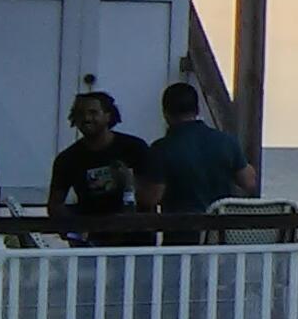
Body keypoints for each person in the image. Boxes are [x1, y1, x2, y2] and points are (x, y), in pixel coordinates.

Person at [137, 81, 255, 224]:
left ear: (165, 113)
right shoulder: (227, 142)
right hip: (218, 233)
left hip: (183, 233)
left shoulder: (161, 149)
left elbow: (152, 198)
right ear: (197, 110)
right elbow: (248, 183)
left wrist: (132, 184)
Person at [47, 91, 150, 244]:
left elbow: (152, 194)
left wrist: (129, 183)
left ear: (108, 115)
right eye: (80, 113)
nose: (87, 118)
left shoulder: (134, 148)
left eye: (93, 112)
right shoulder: (67, 159)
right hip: (91, 243)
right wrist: (71, 225)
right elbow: (55, 204)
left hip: (135, 242)